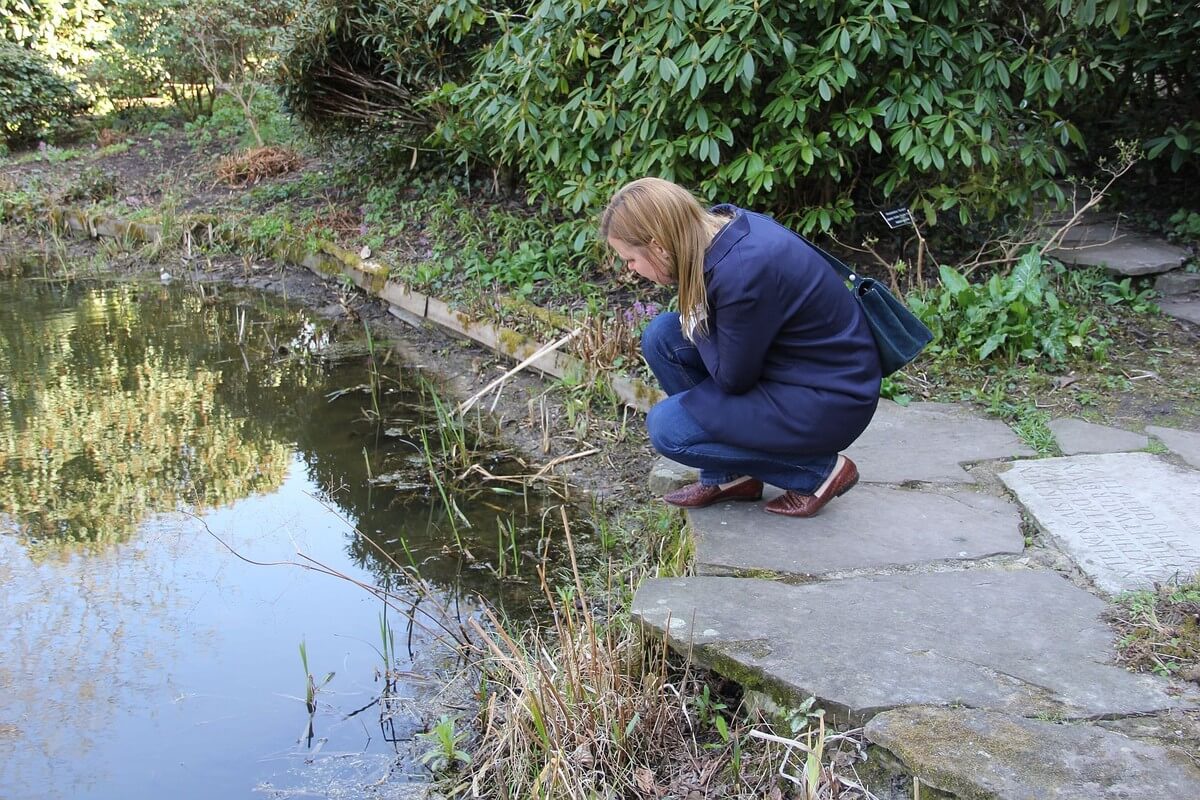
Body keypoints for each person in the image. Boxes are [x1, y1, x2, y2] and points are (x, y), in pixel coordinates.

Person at [600, 177, 882, 517]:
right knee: (662, 337)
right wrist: (695, 318)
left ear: (659, 245)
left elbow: (733, 379)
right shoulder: (720, 228)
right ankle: (731, 476)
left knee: (669, 429)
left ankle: (816, 472)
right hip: (793, 371)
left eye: (631, 259)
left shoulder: (742, 271)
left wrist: (694, 316)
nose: (630, 270)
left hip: (830, 398)